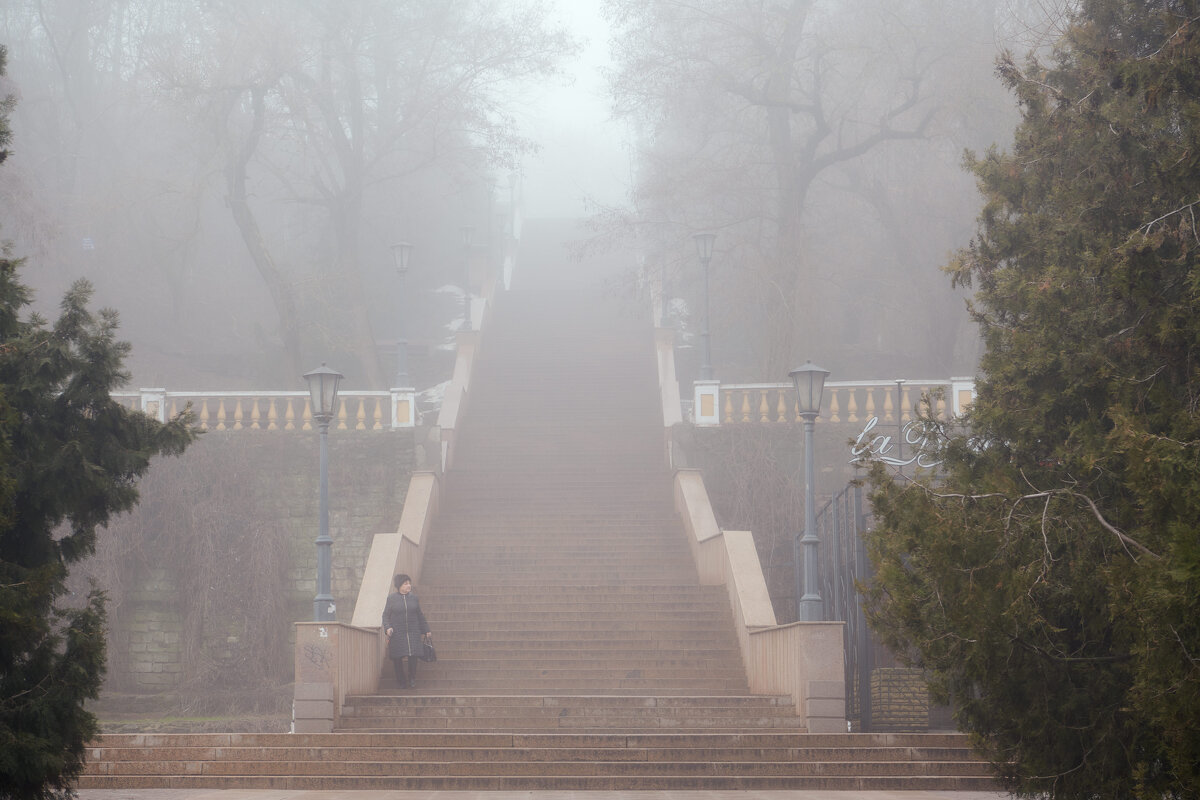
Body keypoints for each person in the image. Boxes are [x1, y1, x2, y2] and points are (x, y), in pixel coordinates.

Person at [382, 573, 431, 690]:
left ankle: (412, 678)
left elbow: (420, 615)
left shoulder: (414, 598)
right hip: (398, 632)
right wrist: (387, 627)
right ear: (399, 585)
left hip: (413, 631)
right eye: (406, 583)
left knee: (413, 655)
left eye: (409, 583)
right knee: (397, 657)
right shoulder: (391, 599)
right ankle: (401, 680)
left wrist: (426, 629)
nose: (409, 585)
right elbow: (385, 616)